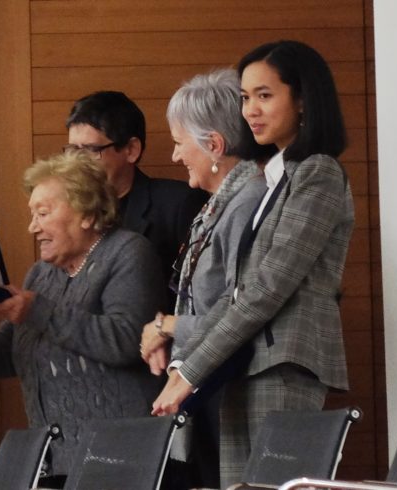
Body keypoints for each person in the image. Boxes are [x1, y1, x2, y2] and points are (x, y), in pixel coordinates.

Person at [152, 40, 354, 487]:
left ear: (302, 100)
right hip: (246, 363)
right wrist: (189, 369)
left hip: (283, 362)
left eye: (265, 95)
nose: (250, 110)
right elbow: (239, 293)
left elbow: (266, 288)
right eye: (245, 98)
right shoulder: (274, 176)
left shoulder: (318, 172)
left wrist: (191, 370)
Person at [0, 150, 163, 484]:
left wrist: (35, 310)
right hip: (56, 462)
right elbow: (7, 357)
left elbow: (126, 340)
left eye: (43, 213)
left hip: (121, 460)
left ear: (86, 213)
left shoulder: (127, 252)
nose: (33, 227)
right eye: (32, 215)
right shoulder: (41, 275)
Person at [138, 69, 273, 489]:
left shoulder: (248, 202)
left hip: (231, 386)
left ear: (214, 145)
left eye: (180, 144)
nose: (176, 156)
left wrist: (166, 325)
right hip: (210, 386)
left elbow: (239, 314)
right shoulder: (221, 205)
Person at [65, 91, 208, 312]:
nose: (77, 163)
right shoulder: (68, 210)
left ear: (131, 150)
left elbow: (198, 299)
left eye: (91, 150)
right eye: (73, 150)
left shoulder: (179, 204)